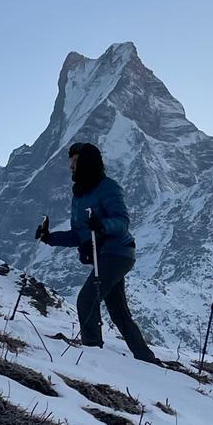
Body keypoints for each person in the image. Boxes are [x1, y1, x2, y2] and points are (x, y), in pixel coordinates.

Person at [35, 142, 160, 365]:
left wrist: (102, 225)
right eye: (71, 162)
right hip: (105, 256)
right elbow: (79, 234)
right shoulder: (79, 195)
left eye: (75, 161)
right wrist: (49, 237)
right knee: (118, 311)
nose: (71, 166)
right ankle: (146, 358)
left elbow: (122, 221)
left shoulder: (107, 187)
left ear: (87, 163)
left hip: (118, 252)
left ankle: (92, 353)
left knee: (87, 299)